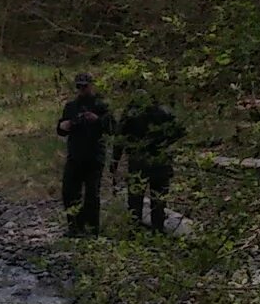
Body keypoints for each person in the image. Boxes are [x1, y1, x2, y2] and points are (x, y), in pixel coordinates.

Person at [114, 92, 186, 232]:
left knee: (135, 198)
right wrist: (163, 144)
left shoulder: (131, 112)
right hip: (161, 160)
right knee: (158, 198)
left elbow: (119, 138)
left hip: (138, 161)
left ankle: (134, 230)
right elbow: (179, 132)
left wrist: (115, 161)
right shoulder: (164, 111)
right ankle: (157, 230)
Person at [54, 72, 111, 236]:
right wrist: (64, 125)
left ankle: (93, 229)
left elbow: (112, 128)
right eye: (79, 86)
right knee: (69, 192)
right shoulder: (71, 107)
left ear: (91, 86)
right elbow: (61, 129)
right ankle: (74, 227)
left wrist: (97, 120)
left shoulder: (101, 105)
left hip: (94, 156)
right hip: (75, 155)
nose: (82, 90)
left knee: (92, 194)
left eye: (84, 86)